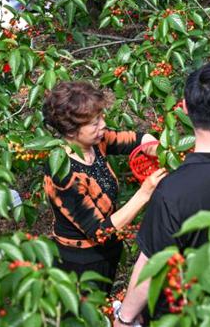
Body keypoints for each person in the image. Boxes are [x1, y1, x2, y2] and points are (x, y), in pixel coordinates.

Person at [113, 63, 210, 326]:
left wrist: (125, 318)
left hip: (186, 315)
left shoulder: (172, 191)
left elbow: (152, 265)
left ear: (185, 109)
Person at [42, 81, 166, 294]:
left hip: (108, 253)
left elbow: (136, 140)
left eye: (100, 117)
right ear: (71, 131)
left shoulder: (94, 143)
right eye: (94, 123)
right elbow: (100, 232)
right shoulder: (63, 174)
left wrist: (154, 147)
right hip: (81, 264)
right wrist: (144, 193)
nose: (103, 125)